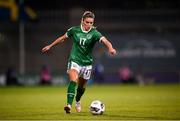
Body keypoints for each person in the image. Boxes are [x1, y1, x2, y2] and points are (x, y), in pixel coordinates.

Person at [41, 11, 116, 114]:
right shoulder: (74, 30)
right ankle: (68, 105)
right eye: (87, 22)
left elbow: (106, 41)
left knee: (81, 87)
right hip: (74, 60)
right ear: (82, 21)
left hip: (87, 63)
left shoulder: (95, 33)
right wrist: (50, 46)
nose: (89, 25)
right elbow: (62, 38)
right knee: (73, 80)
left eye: (91, 23)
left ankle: (77, 101)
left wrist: (110, 48)